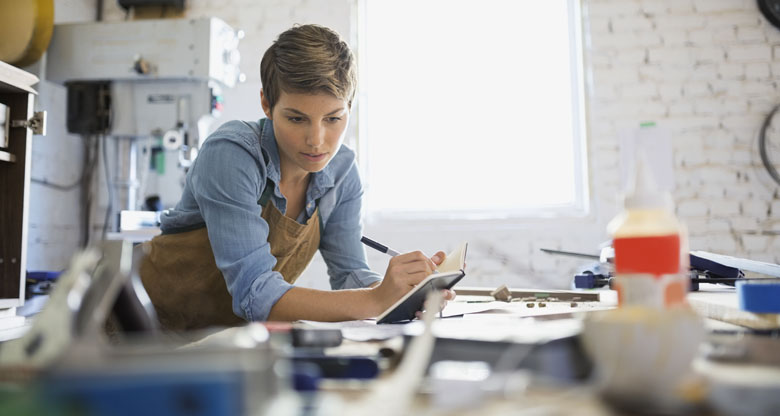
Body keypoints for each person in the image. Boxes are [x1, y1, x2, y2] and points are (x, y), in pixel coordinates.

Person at [140, 24, 455, 331]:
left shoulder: (342, 173)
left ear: (350, 107)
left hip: (220, 340)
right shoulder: (232, 155)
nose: (316, 140)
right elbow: (256, 295)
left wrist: (405, 294)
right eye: (296, 118)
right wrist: (376, 299)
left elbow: (350, 275)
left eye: (333, 118)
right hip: (139, 331)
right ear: (266, 103)